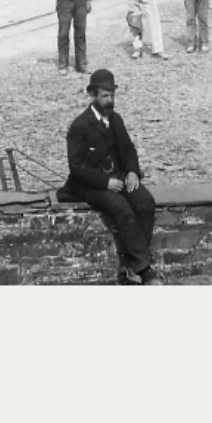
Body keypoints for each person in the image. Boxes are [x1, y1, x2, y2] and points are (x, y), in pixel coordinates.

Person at [58, 69, 161, 285]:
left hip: (119, 177)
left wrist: (132, 171)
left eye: (112, 95)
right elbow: (77, 168)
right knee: (122, 208)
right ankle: (143, 268)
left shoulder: (115, 120)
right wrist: (106, 182)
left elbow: (128, 148)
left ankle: (131, 266)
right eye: (105, 96)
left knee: (145, 202)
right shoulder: (80, 126)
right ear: (92, 95)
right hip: (91, 186)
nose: (110, 100)